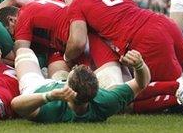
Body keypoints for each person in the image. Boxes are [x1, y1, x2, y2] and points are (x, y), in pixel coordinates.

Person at [11, 48, 150, 122]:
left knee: (24, 51)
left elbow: (16, 104)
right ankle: (50, 71)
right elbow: (141, 83)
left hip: (37, 87)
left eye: (73, 71)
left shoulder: (51, 109)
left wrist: (48, 96)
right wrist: (139, 65)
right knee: (59, 73)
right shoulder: (105, 101)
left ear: (68, 88)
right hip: (58, 83)